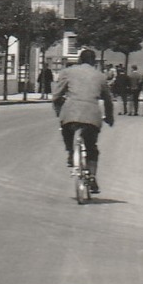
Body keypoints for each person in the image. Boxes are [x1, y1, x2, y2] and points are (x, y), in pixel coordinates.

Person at [52, 48, 115, 194]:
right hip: (92, 115)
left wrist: (59, 112)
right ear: (94, 62)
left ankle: (70, 152)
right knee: (91, 146)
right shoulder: (100, 76)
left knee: (66, 130)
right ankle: (92, 176)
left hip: (70, 113)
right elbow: (108, 100)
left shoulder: (68, 72)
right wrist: (109, 117)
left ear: (80, 60)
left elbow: (56, 96)